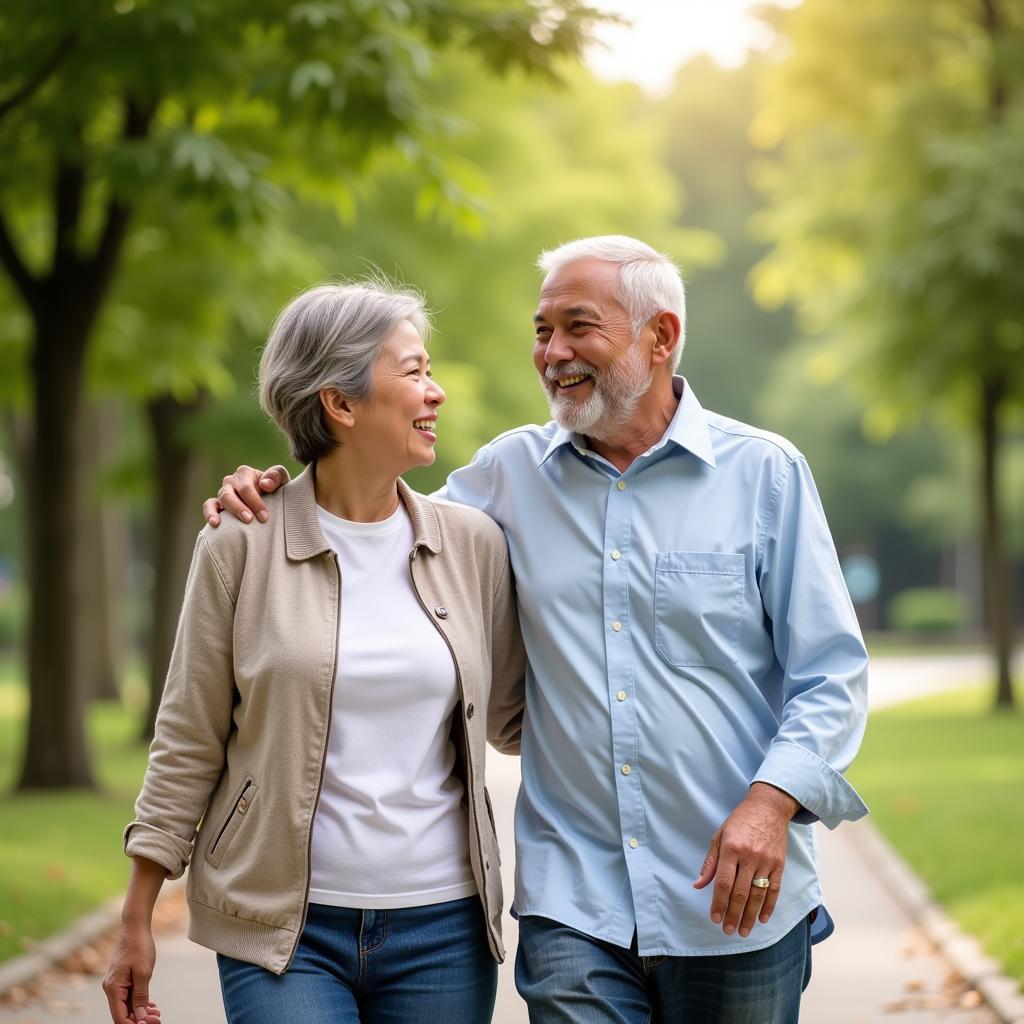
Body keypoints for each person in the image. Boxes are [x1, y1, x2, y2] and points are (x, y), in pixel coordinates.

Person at [207, 236, 869, 1024]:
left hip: (736, 901)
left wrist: (772, 804)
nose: (551, 352)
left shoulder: (766, 474)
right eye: (541, 330)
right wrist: (270, 492)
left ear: (660, 336)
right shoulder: (504, 477)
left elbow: (832, 675)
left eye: (577, 327)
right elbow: (366, 516)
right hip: (573, 905)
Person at [104, 280, 525, 1024]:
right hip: (282, 934)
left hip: (444, 932)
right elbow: (187, 737)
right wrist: (137, 917)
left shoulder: (474, 546)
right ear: (341, 402)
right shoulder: (240, 543)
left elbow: (517, 719)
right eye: (416, 371)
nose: (438, 393)